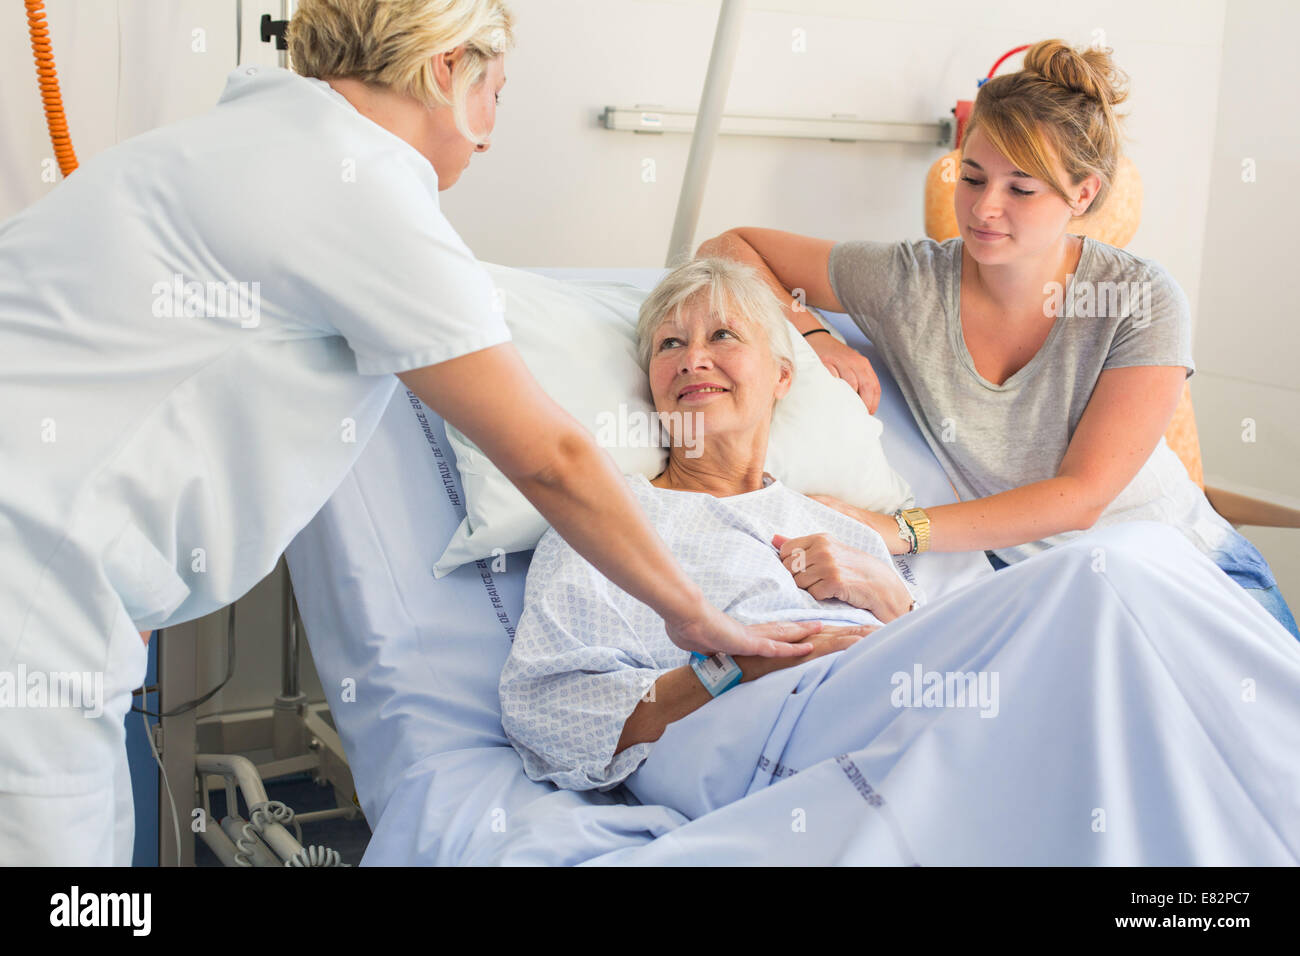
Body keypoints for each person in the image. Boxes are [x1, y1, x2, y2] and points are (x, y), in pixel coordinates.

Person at [0, 0, 816, 866]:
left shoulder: (233, 143)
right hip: (32, 600)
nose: (492, 135)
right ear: (444, 70)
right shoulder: (361, 187)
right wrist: (699, 620)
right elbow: (551, 457)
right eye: (496, 92)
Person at [698, 38, 1298, 639]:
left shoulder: (1139, 298)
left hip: (1187, 573)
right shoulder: (910, 283)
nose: (985, 208)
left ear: (1082, 194)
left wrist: (901, 530)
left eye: (1021, 188)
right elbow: (729, 247)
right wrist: (815, 334)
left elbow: (1080, 497)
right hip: (1047, 597)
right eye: (973, 177)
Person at [500, 258, 922, 790]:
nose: (693, 359)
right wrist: (734, 672)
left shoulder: (841, 526)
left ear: (782, 377)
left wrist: (893, 598)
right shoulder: (605, 521)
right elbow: (546, 712)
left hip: (904, 711)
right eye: (669, 345)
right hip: (785, 749)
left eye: (722, 335)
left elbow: (944, 660)